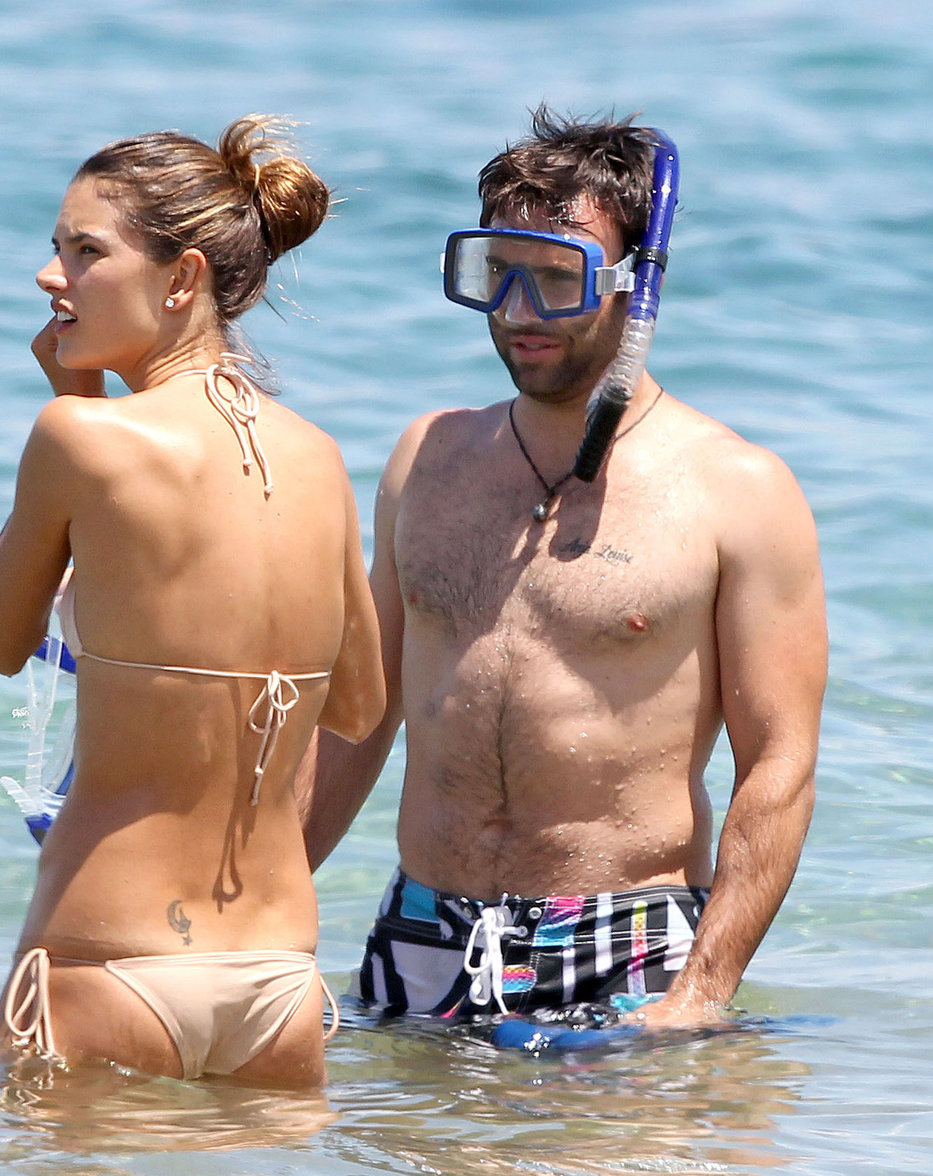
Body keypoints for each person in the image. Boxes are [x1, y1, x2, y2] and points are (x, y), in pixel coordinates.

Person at [297, 108, 826, 1030]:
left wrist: (701, 994)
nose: (518, 311)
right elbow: (359, 715)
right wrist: (255, 907)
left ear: (635, 285)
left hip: (627, 945)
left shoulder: (737, 489)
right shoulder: (427, 458)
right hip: (420, 934)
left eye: (556, 278)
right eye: (496, 274)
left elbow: (779, 763)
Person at [0, 115, 385, 1086]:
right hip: (277, 980)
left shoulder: (81, 440)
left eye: (86, 251)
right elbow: (360, 706)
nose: (50, 275)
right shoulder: (318, 457)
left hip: (107, 958)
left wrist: (78, 400)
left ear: (182, 278)